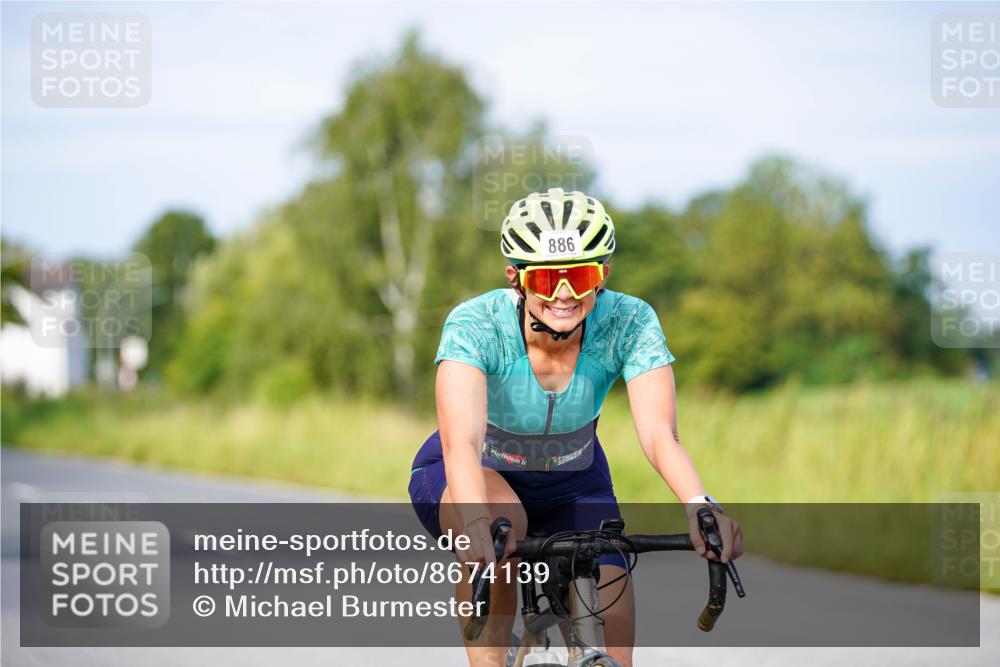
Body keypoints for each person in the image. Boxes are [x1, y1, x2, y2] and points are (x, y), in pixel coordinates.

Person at [408, 187, 743, 666]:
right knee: (501, 527)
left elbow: (659, 435)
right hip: (475, 472)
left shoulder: (629, 321)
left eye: (580, 276)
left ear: (602, 274)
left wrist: (700, 506)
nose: (563, 294)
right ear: (516, 277)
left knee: (615, 648)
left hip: (573, 479)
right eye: (547, 278)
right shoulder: (476, 324)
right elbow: (462, 441)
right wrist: (475, 521)